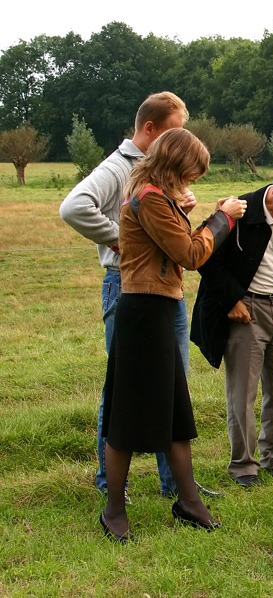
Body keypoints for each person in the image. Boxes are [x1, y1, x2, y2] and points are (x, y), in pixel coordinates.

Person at [59, 91, 221, 501]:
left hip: (165, 290)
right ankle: (112, 486)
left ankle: (174, 484)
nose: (176, 141)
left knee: (172, 390)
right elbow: (74, 207)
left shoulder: (157, 176)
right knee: (122, 392)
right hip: (130, 286)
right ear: (150, 129)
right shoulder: (120, 167)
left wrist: (179, 207)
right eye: (173, 132)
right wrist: (126, 241)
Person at [100, 128, 246, 541]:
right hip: (143, 311)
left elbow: (179, 244)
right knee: (127, 411)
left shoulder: (158, 198)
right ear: (173, 164)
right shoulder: (148, 198)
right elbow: (190, 254)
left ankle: (188, 502)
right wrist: (222, 219)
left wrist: (205, 217)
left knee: (175, 411)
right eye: (190, 171)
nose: (193, 179)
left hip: (161, 307)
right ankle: (114, 511)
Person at [191, 161, 273, 489]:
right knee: (243, 393)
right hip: (245, 310)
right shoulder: (238, 213)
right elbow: (205, 259)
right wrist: (232, 300)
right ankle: (243, 466)